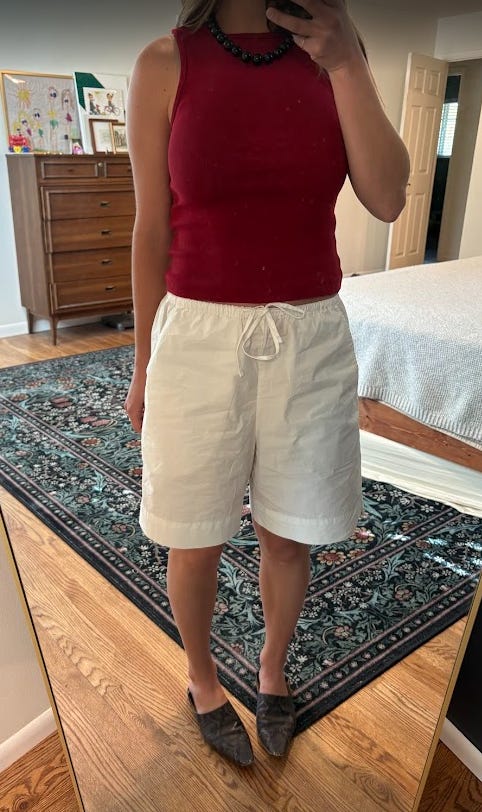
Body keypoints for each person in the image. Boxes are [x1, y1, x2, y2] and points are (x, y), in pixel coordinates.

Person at [124, 0, 410, 768]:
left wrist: (345, 61)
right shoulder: (165, 63)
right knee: (194, 535)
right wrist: (144, 362)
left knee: (288, 533)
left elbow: (388, 198)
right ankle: (202, 680)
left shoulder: (335, 50)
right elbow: (151, 229)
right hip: (196, 336)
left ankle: (273, 672)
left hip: (309, 337)